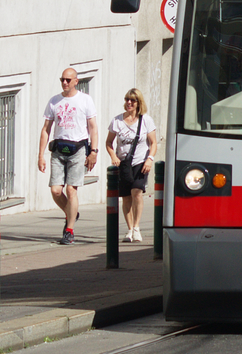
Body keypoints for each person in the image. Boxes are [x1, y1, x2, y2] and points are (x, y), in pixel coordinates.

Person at [38, 68, 99, 245]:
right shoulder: (54, 101)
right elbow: (46, 129)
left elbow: (93, 128)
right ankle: (72, 212)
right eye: (62, 80)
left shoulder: (85, 100)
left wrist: (93, 152)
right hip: (58, 148)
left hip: (78, 148)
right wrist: (40, 155)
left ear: (75, 81)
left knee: (71, 190)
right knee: (56, 190)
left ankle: (69, 230)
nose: (64, 83)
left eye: (67, 80)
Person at [105, 88, 158, 243]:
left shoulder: (146, 120)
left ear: (138, 103)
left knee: (137, 192)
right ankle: (129, 230)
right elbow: (108, 142)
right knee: (126, 197)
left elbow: (153, 143)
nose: (129, 103)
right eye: (127, 99)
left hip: (140, 162)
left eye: (133, 100)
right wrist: (113, 156)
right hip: (123, 163)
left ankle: (136, 227)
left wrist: (150, 159)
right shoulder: (117, 121)